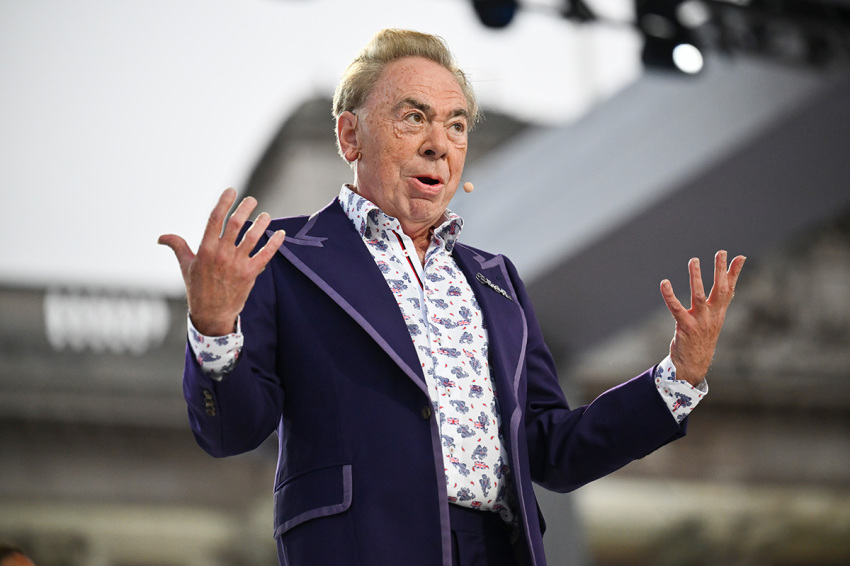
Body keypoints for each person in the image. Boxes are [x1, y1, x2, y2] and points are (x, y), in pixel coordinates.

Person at [159, 28, 745, 566]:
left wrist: (677, 378)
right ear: (350, 135)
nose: (439, 144)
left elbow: (551, 447)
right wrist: (214, 328)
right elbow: (231, 431)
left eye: (457, 125)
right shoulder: (283, 257)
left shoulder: (496, 278)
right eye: (413, 118)